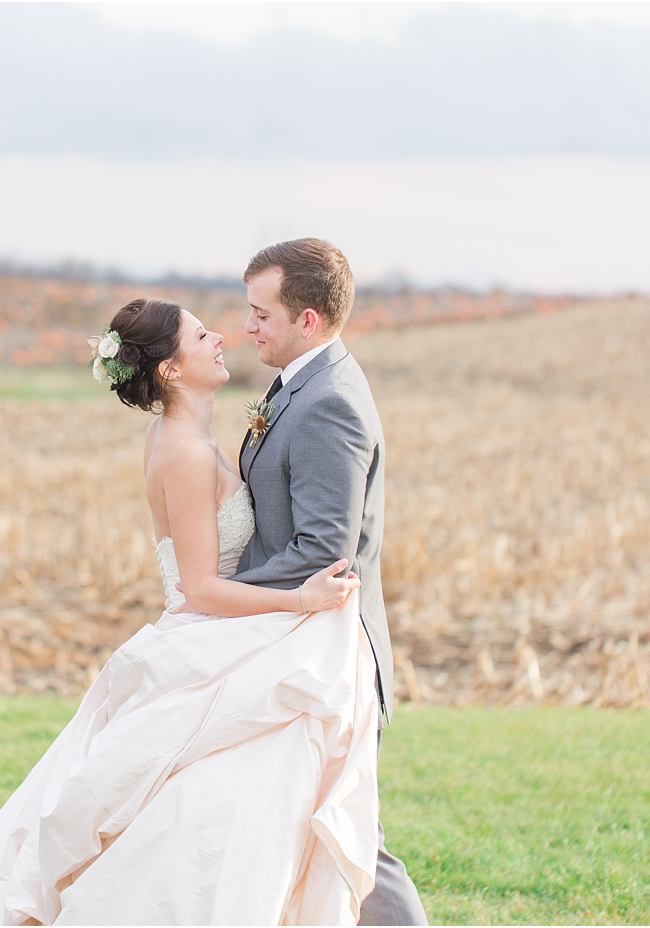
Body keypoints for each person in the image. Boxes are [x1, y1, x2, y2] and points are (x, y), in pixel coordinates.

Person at [0, 291, 384, 926]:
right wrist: (301, 598)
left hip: (216, 636)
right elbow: (200, 587)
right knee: (199, 821)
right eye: (200, 337)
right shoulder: (184, 451)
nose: (221, 338)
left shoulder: (185, 434)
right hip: (206, 627)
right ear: (169, 370)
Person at [226, 238, 428, 926]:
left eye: (261, 314)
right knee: (301, 828)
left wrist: (224, 593)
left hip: (333, 656)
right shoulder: (299, 384)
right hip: (296, 644)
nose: (248, 326)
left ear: (306, 320)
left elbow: (323, 551)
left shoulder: (329, 403)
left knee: (350, 835)